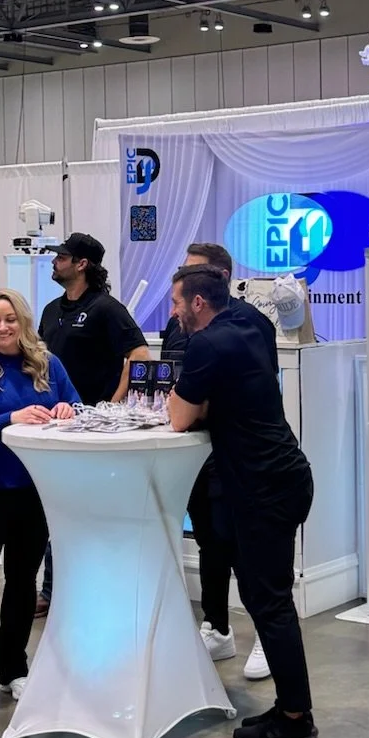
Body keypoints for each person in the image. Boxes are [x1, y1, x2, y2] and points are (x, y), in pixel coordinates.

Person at [167, 264, 317, 738]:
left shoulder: (207, 344)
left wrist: (198, 402)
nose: (172, 313)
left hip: (263, 487)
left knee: (269, 602)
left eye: (175, 303)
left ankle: (295, 719)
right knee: (265, 597)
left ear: (197, 303)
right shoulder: (254, 321)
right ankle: (291, 708)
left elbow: (178, 418)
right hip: (286, 474)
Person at [0, 289, 78, 703]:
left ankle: (14, 670)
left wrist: (66, 411)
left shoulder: (48, 365)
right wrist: (12, 418)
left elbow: (76, 404)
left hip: (34, 489)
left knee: (22, 582)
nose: (2, 327)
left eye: (9, 319)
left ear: (23, 322)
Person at [159, 242, 277, 680]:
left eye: (190, 278)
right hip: (196, 452)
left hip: (240, 455)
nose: (178, 301)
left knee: (247, 553)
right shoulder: (180, 326)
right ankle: (217, 626)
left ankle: (267, 634)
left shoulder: (250, 324)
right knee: (211, 540)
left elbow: (234, 391)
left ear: (213, 283)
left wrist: (192, 406)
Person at [38, 232, 146, 404]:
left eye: (61, 257)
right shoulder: (50, 310)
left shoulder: (107, 308)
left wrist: (114, 405)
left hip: (93, 417)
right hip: (55, 412)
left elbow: (140, 354)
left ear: (81, 264)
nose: (54, 262)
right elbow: (38, 356)